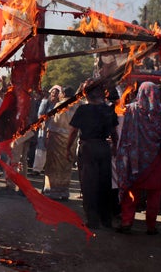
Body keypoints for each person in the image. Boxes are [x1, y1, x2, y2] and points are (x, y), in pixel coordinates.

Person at [116, 81, 161, 235]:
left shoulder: (131, 109)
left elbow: (116, 108)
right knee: (155, 194)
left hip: (135, 160)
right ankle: (151, 226)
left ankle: (126, 222)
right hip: (156, 159)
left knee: (131, 192)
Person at [67, 82, 118, 229]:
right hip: (103, 148)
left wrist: (68, 148)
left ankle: (93, 220)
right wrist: (114, 146)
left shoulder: (83, 109)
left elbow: (73, 132)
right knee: (104, 183)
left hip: (88, 148)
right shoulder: (109, 110)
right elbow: (114, 133)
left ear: (87, 94)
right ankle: (106, 219)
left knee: (89, 185)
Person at [43, 86, 78, 200]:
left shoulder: (60, 105)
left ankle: (52, 191)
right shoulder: (77, 106)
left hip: (57, 139)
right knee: (66, 165)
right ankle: (64, 191)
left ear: (63, 94)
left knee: (54, 165)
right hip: (71, 140)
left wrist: (47, 137)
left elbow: (53, 124)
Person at [32, 85, 61, 176]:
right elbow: (40, 114)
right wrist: (43, 124)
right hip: (44, 128)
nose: (54, 95)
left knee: (51, 149)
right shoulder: (45, 102)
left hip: (54, 130)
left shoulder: (59, 104)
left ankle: (47, 168)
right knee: (41, 148)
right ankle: (37, 169)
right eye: (53, 93)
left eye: (56, 94)